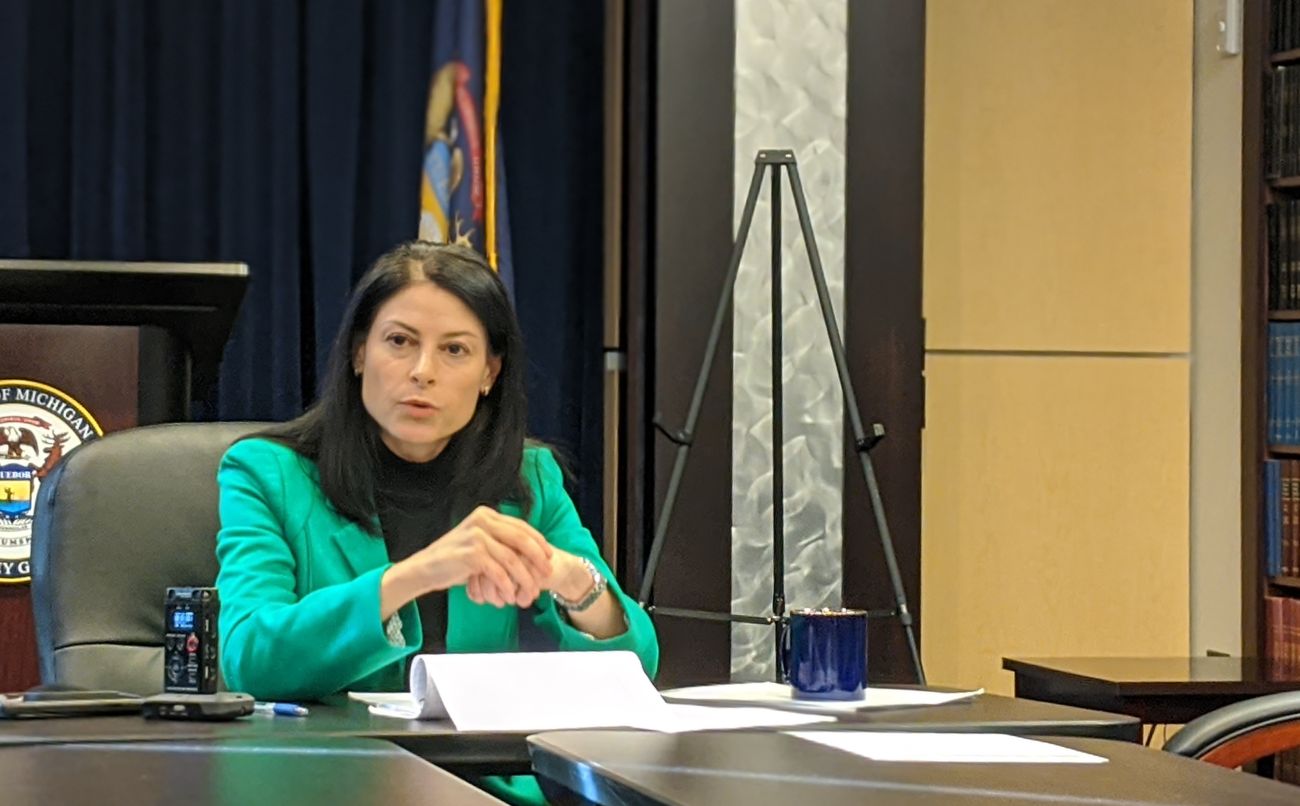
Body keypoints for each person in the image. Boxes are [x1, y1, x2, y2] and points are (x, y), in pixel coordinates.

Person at [214, 241, 658, 805]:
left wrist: (571, 579)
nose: (422, 372)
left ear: (489, 374)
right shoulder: (267, 473)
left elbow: (635, 668)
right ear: (358, 353)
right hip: (325, 784)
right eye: (399, 342)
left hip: (478, 787)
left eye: (454, 350)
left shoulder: (528, 479)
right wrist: (415, 575)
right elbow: (251, 657)